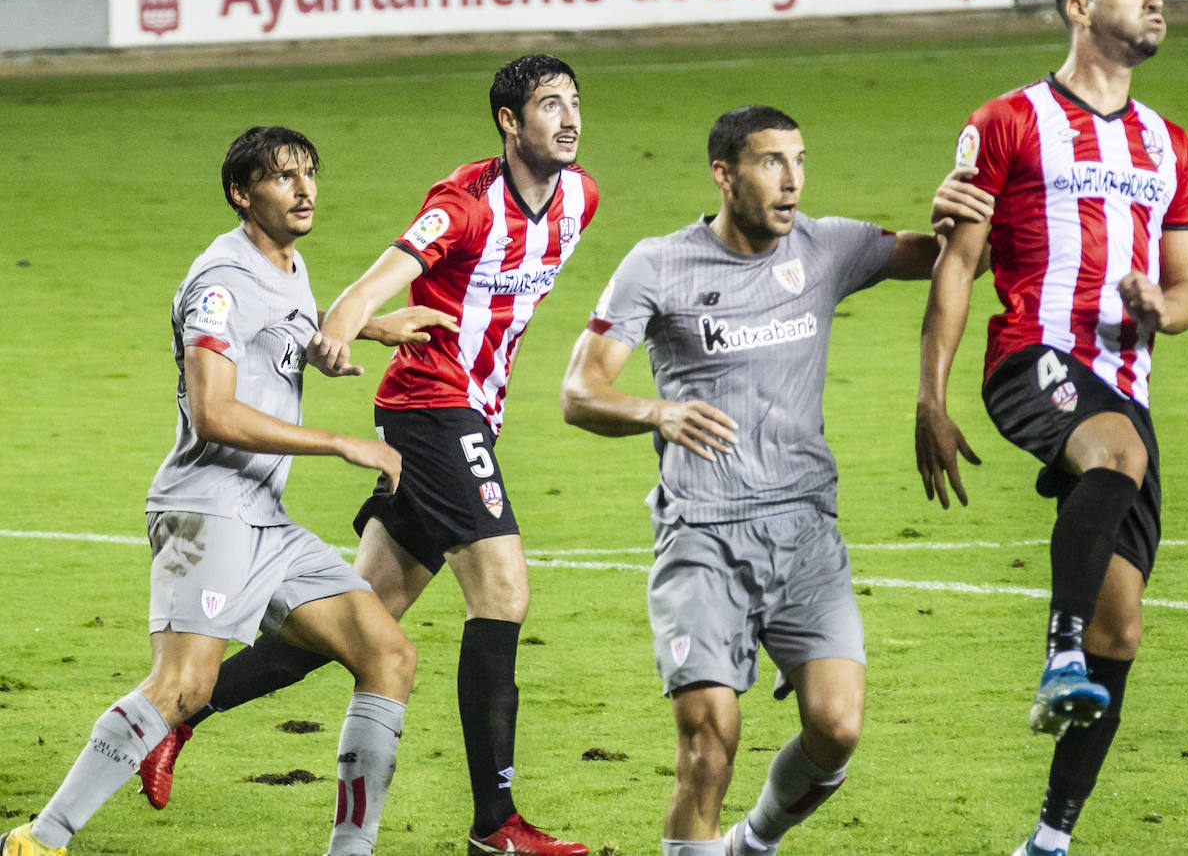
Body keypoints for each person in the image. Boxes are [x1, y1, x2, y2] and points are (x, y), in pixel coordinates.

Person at [137, 55, 597, 856]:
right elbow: (367, 287)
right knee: (503, 588)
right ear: (508, 122)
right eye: (548, 104)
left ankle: (176, 716)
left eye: (574, 103)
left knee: (363, 621)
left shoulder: (581, 199)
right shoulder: (461, 205)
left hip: (473, 416)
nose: (568, 117)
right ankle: (497, 823)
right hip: (429, 408)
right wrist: (343, 327)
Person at [0, 126, 452, 856]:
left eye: (309, 173)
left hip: (264, 517)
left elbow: (282, 327)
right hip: (207, 511)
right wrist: (340, 441)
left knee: (388, 654)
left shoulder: (286, 263)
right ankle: (37, 840)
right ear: (243, 194)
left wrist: (369, 327)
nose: (303, 190)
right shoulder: (219, 282)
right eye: (282, 178)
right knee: (182, 686)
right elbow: (214, 413)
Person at [560, 105, 990, 856]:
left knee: (838, 726)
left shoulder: (827, 247)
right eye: (770, 163)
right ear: (724, 174)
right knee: (708, 745)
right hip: (703, 535)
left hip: (805, 535)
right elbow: (580, 391)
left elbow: (955, 260)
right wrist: (657, 412)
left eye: (799, 161)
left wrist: (961, 217)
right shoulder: (658, 264)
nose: (791, 182)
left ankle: (753, 841)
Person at [913, 0, 1188, 856]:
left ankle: (1048, 837)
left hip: (1124, 385)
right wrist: (931, 393)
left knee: (1124, 627)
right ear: (1080, 8)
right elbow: (959, 265)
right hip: (1031, 356)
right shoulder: (1005, 120)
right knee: (1119, 454)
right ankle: (1057, 650)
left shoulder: (1171, 144)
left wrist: (1164, 304)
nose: (1155, 0)